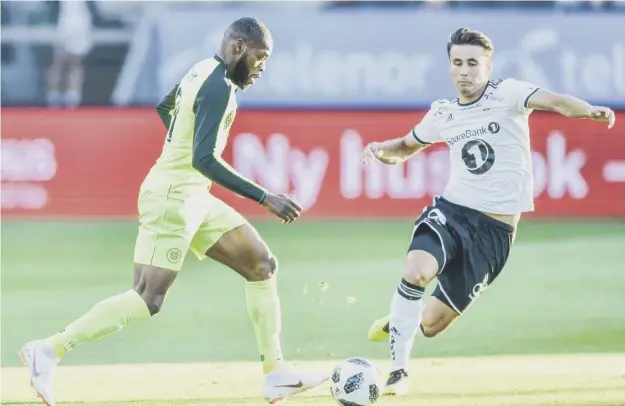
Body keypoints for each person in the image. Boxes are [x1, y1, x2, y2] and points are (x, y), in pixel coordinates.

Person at [20, 17, 327, 406]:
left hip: (192, 195)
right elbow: (204, 159)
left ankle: (275, 375)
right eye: (259, 56)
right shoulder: (218, 87)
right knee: (148, 299)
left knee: (261, 264)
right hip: (173, 197)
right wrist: (265, 196)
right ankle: (47, 351)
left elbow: (167, 107)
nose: (262, 66)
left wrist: (180, 139)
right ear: (237, 47)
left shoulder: (203, 69)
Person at [362, 27, 616, 397]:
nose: (464, 71)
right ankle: (398, 372)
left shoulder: (508, 93)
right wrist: (379, 149)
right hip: (452, 212)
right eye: (457, 63)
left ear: (487, 65)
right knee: (416, 271)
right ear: (449, 66)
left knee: (431, 325)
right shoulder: (443, 114)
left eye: (472, 63)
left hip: (495, 235)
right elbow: (405, 146)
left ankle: (402, 319)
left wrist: (589, 110)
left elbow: (557, 101)